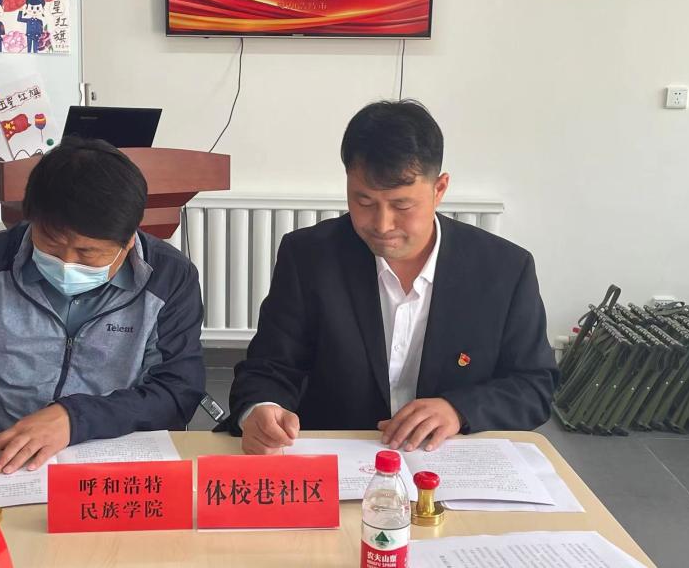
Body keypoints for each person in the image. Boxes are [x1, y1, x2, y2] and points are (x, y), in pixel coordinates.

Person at [225, 100, 558, 455]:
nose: (382, 225)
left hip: (447, 459)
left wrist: (458, 410)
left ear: (439, 189)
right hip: (336, 458)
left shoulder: (504, 269)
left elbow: (534, 386)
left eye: (402, 205)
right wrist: (261, 410)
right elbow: (269, 368)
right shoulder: (308, 257)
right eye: (364, 202)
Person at [0, 137, 206, 481]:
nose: (67, 263)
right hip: (4, 457)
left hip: (113, 454)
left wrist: (74, 418)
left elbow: (177, 391)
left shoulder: (168, 276)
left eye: (87, 253)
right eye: (50, 244)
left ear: (129, 240)